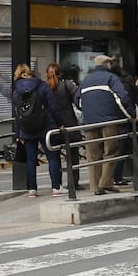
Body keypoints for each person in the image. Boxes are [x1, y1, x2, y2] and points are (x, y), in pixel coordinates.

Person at [77, 54, 132, 195]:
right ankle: (105, 183)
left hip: (89, 122)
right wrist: (131, 115)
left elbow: (77, 101)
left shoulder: (86, 80)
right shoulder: (111, 78)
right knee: (111, 151)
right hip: (109, 121)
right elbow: (122, 98)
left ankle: (95, 187)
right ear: (108, 64)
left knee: (93, 155)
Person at [11, 62, 64, 197]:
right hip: (46, 126)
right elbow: (53, 106)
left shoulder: (16, 91)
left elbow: (17, 114)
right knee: (52, 158)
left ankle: (32, 189)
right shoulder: (41, 85)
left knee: (30, 160)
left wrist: (18, 133)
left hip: (27, 129)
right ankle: (56, 188)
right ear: (30, 72)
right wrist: (60, 123)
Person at [46, 62, 82, 192]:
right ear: (60, 73)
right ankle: (73, 182)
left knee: (54, 156)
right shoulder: (67, 85)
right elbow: (77, 100)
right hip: (69, 124)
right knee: (73, 155)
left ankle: (57, 184)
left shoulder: (45, 87)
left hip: (52, 126)